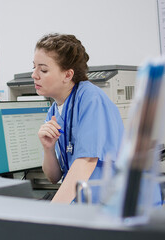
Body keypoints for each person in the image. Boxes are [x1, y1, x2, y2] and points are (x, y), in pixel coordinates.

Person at [34, 33, 124, 204]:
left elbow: (86, 161)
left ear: (67, 75)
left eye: (43, 70)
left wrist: (51, 214)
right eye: (34, 67)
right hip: (81, 205)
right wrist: (48, 149)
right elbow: (54, 177)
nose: (34, 75)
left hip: (108, 205)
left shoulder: (91, 99)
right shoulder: (54, 110)